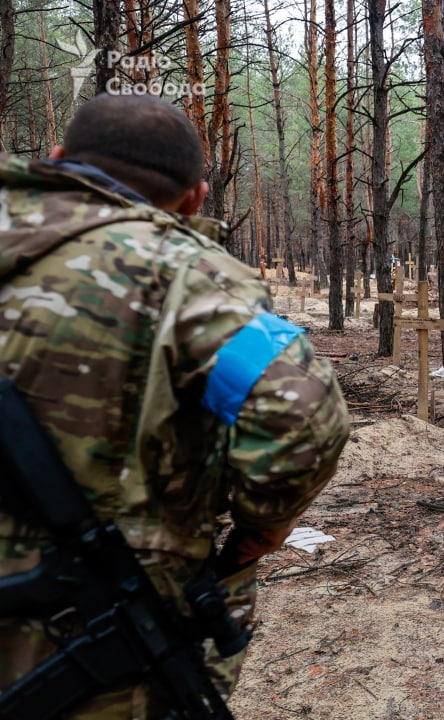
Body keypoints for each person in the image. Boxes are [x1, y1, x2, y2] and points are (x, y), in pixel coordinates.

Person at [0, 93, 350, 717]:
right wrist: (259, 531)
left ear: (56, 161)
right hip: (81, 630)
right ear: (195, 198)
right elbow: (302, 411)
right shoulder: (181, 276)